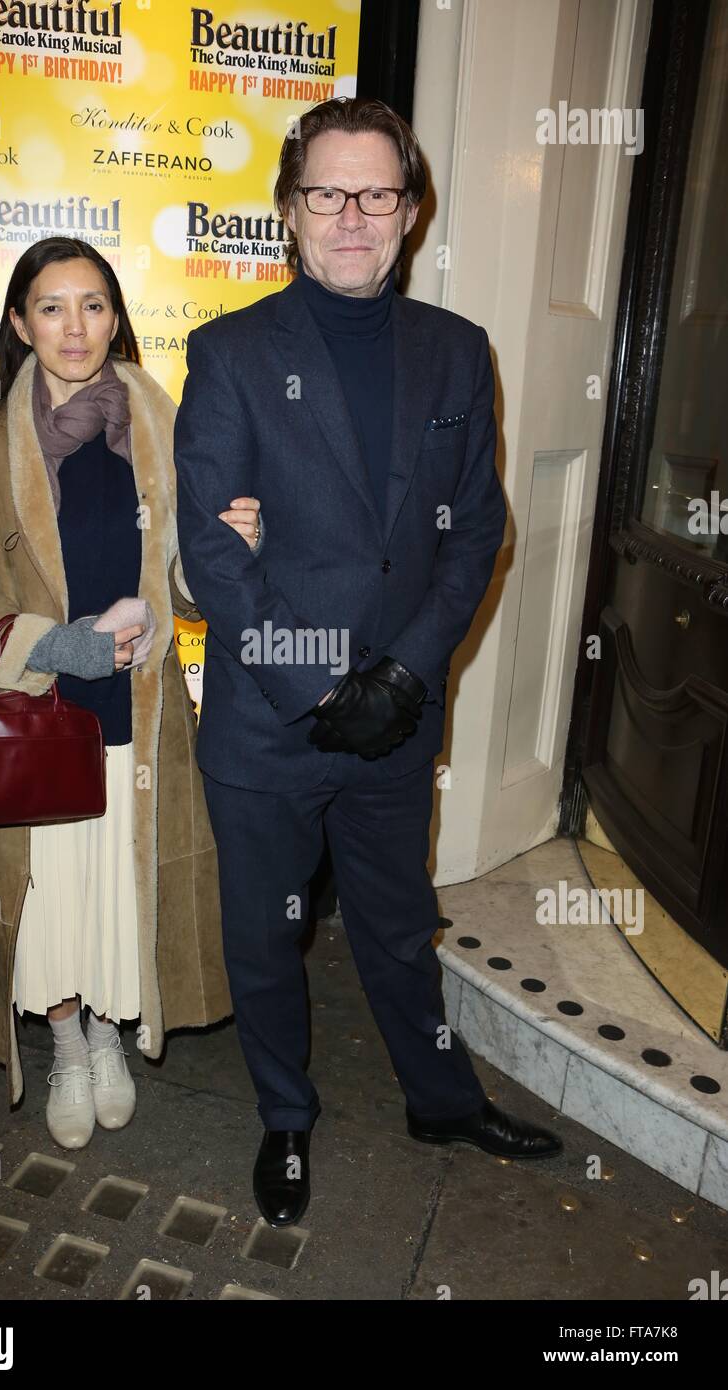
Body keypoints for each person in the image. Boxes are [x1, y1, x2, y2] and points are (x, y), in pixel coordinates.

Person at [174, 97, 562, 1227]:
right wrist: (322, 687)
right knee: (267, 936)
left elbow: (475, 532)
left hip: (395, 717)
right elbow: (216, 550)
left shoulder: (455, 352)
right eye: (325, 194)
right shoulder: (232, 353)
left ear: (409, 208)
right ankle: (285, 1117)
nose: (351, 217)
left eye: (376, 193)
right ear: (289, 213)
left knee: (397, 923)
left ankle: (437, 1098)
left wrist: (398, 677)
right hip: (270, 727)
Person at [0, 236, 262, 1148]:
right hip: (36, 722)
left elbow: (185, 580)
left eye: (95, 305)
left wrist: (227, 552)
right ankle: (68, 1044)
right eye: (54, 307)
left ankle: (109, 1034)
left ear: (118, 317)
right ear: (21, 323)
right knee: (50, 900)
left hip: (138, 720)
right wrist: (62, 646)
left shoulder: (161, 419)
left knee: (120, 890)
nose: (77, 326)